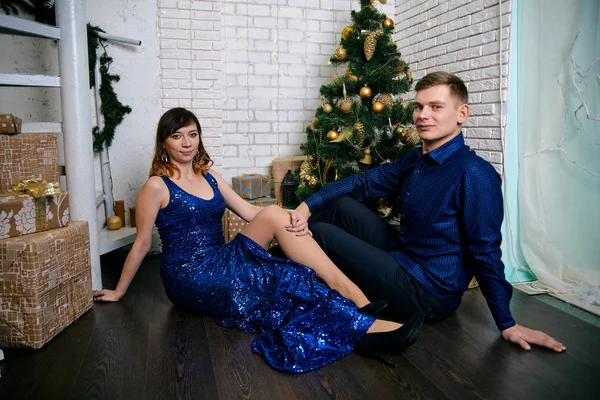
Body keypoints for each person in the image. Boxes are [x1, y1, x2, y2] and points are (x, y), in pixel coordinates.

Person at [93, 107, 425, 373]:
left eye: (192, 135)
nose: (186, 143)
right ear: (163, 142)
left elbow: (252, 213)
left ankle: (356, 305)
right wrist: (119, 291)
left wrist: (294, 217)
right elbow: (141, 243)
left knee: (277, 222)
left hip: (221, 259)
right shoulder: (157, 185)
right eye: (177, 136)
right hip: (189, 276)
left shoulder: (210, 176)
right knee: (287, 276)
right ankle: (363, 319)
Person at [294, 71, 566, 353]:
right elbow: (364, 182)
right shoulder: (416, 160)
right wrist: (306, 206)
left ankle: (274, 269)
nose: (423, 115)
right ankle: (276, 259)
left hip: (427, 292)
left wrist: (507, 323)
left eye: (436, 107)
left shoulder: (475, 174)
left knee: (323, 233)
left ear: (462, 113)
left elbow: (485, 253)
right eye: (418, 107)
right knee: (341, 207)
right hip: (404, 256)